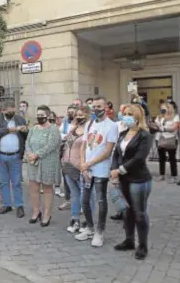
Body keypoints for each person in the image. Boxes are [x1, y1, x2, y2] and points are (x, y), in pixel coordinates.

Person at [111, 104, 153, 260]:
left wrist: (120, 170)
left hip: (139, 179)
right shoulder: (123, 134)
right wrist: (114, 170)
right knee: (127, 211)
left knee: (139, 213)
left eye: (130, 114)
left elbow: (139, 158)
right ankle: (129, 240)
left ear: (137, 117)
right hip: (124, 179)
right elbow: (116, 154)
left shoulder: (144, 135)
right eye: (125, 113)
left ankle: (143, 246)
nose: (126, 116)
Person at [76, 95, 118, 247]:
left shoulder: (112, 126)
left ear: (106, 107)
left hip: (100, 170)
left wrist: (89, 164)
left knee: (101, 201)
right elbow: (83, 145)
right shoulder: (90, 123)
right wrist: (82, 164)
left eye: (99, 107)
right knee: (84, 201)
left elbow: (107, 151)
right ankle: (89, 228)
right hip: (86, 170)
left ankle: (100, 232)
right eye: (94, 106)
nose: (96, 109)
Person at [0, 100, 27, 217]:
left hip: (15, 156)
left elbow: (26, 136)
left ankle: (19, 205)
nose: (11, 113)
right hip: (0, 156)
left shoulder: (19, 119)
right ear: (3, 111)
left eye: (13, 111)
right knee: (3, 182)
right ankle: (7, 204)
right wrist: (9, 130)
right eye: (8, 111)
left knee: (16, 182)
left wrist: (25, 130)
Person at [25, 105, 62, 227]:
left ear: (48, 115)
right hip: (33, 163)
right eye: (38, 115)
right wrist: (30, 153)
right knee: (33, 188)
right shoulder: (34, 129)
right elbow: (27, 142)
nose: (39, 117)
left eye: (42, 115)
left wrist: (37, 154)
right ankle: (36, 211)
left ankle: (47, 214)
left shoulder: (53, 129)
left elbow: (51, 145)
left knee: (47, 189)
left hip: (48, 163)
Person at [61, 107, 95, 233]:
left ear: (88, 115)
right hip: (67, 166)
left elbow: (90, 149)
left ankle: (88, 220)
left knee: (88, 196)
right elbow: (65, 143)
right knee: (75, 195)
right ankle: (75, 219)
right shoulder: (73, 128)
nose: (79, 117)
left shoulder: (91, 130)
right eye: (77, 115)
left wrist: (85, 165)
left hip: (81, 167)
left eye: (82, 115)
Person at [58, 104, 78, 211]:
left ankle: (79, 202)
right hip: (65, 154)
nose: (70, 114)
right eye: (69, 111)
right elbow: (60, 134)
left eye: (73, 111)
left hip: (76, 155)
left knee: (77, 179)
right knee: (66, 178)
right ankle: (68, 200)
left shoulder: (81, 124)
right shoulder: (65, 122)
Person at [154, 102, 179, 183]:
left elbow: (175, 127)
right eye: (161, 108)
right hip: (160, 138)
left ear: (169, 108)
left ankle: (174, 176)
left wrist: (164, 129)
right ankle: (162, 175)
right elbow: (156, 126)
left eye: (164, 108)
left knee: (172, 159)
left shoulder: (175, 117)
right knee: (161, 158)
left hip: (171, 139)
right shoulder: (159, 117)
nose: (162, 109)